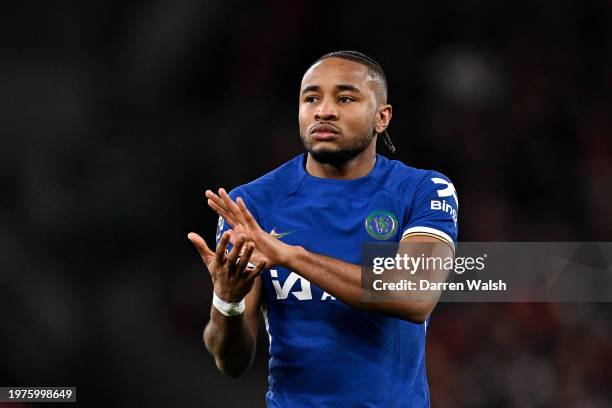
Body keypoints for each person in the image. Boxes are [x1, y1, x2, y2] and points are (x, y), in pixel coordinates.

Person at [188, 50, 459, 407]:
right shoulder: (252, 204)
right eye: (311, 98)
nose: (324, 110)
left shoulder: (423, 190)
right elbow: (232, 362)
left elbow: (413, 295)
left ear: (382, 117)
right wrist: (227, 299)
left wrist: (291, 256)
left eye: (345, 98)